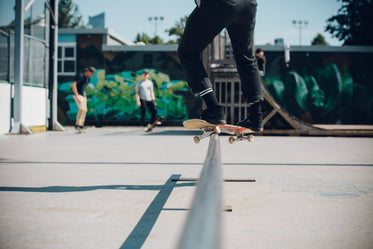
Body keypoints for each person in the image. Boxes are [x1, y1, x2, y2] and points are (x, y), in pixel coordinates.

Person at [178, 0, 263, 131]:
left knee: (187, 52)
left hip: (222, 3)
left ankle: (213, 109)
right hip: (249, 5)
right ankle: (256, 117)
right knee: (246, 58)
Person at [71, 67, 96, 131]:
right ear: (88, 71)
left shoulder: (88, 79)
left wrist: (85, 96)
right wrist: (76, 95)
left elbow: (83, 87)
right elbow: (74, 85)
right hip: (78, 94)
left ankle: (80, 125)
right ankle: (78, 125)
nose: (91, 75)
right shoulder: (80, 76)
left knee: (85, 110)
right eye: (91, 74)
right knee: (81, 109)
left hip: (83, 95)